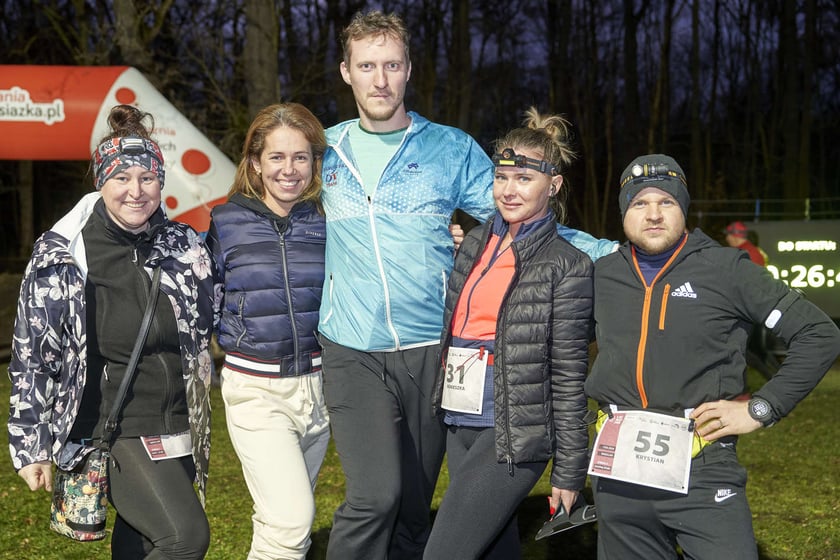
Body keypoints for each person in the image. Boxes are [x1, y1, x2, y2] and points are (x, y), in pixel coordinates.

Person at [585, 153, 840, 560]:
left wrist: (761, 408)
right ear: (623, 213)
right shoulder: (602, 274)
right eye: (639, 203)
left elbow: (819, 334)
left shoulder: (726, 268)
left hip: (702, 465)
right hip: (618, 472)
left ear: (684, 208)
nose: (653, 214)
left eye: (666, 202)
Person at [8, 104, 219, 559]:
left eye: (147, 178)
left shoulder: (183, 245)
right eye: (122, 177)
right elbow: (32, 355)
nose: (135, 191)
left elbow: (217, 312)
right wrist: (30, 445)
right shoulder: (64, 254)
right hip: (113, 426)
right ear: (101, 180)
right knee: (184, 538)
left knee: (141, 544)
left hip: (179, 421)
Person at [423, 109, 593, 559]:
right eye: (501, 177)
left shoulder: (567, 264)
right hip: (461, 417)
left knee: (444, 552)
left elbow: (569, 374)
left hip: (514, 430)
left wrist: (570, 470)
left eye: (524, 179)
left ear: (553, 185)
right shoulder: (474, 243)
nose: (509, 190)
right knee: (491, 549)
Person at [205, 103, 330, 560]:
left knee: (282, 524)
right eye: (277, 157)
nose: (289, 169)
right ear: (255, 162)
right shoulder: (225, 223)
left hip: (320, 389)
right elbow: (201, 300)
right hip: (256, 391)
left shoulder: (328, 219)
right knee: (291, 520)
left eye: (300, 157)